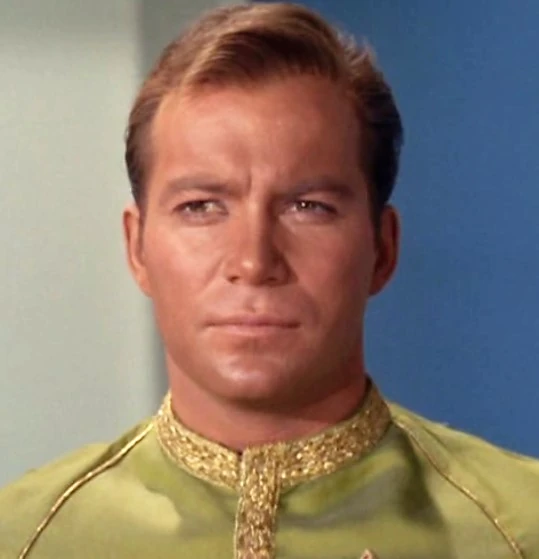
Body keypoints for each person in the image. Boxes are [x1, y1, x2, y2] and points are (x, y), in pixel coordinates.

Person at [1, 3, 538, 558]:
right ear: (137, 248)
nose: (254, 261)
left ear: (383, 249)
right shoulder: (24, 539)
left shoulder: (520, 531)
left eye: (308, 206)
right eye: (201, 207)